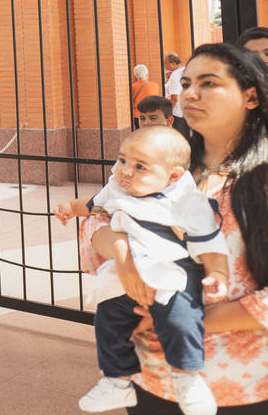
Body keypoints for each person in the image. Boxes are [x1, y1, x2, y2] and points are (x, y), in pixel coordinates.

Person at [81, 43, 268, 413]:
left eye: (209, 83)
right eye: (185, 83)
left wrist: (182, 320)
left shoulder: (260, 178)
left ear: (250, 96)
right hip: (148, 374)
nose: (189, 93)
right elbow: (96, 219)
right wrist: (120, 251)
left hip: (238, 382)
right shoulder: (157, 159)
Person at [56, 128, 229, 414]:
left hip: (173, 271)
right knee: (107, 321)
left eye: (139, 167)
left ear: (173, 175)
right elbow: (93, 205)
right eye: (123, 160)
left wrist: (218, 272)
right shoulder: (119, 187)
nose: (125, 171)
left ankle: (187, 378)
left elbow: (209, 238)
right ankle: (117, 382)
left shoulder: (187, 200)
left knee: (179, 321)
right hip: (126, 273)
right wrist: (69, 207)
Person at [165, 52, 190, 140]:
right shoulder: (186, 71)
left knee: (179, 139)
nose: (165, 66)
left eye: (166, 63)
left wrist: (167, 112)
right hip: (185, 111)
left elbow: (174, 98)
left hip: (177, 114)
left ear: (173, 63)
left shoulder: (175, 76)